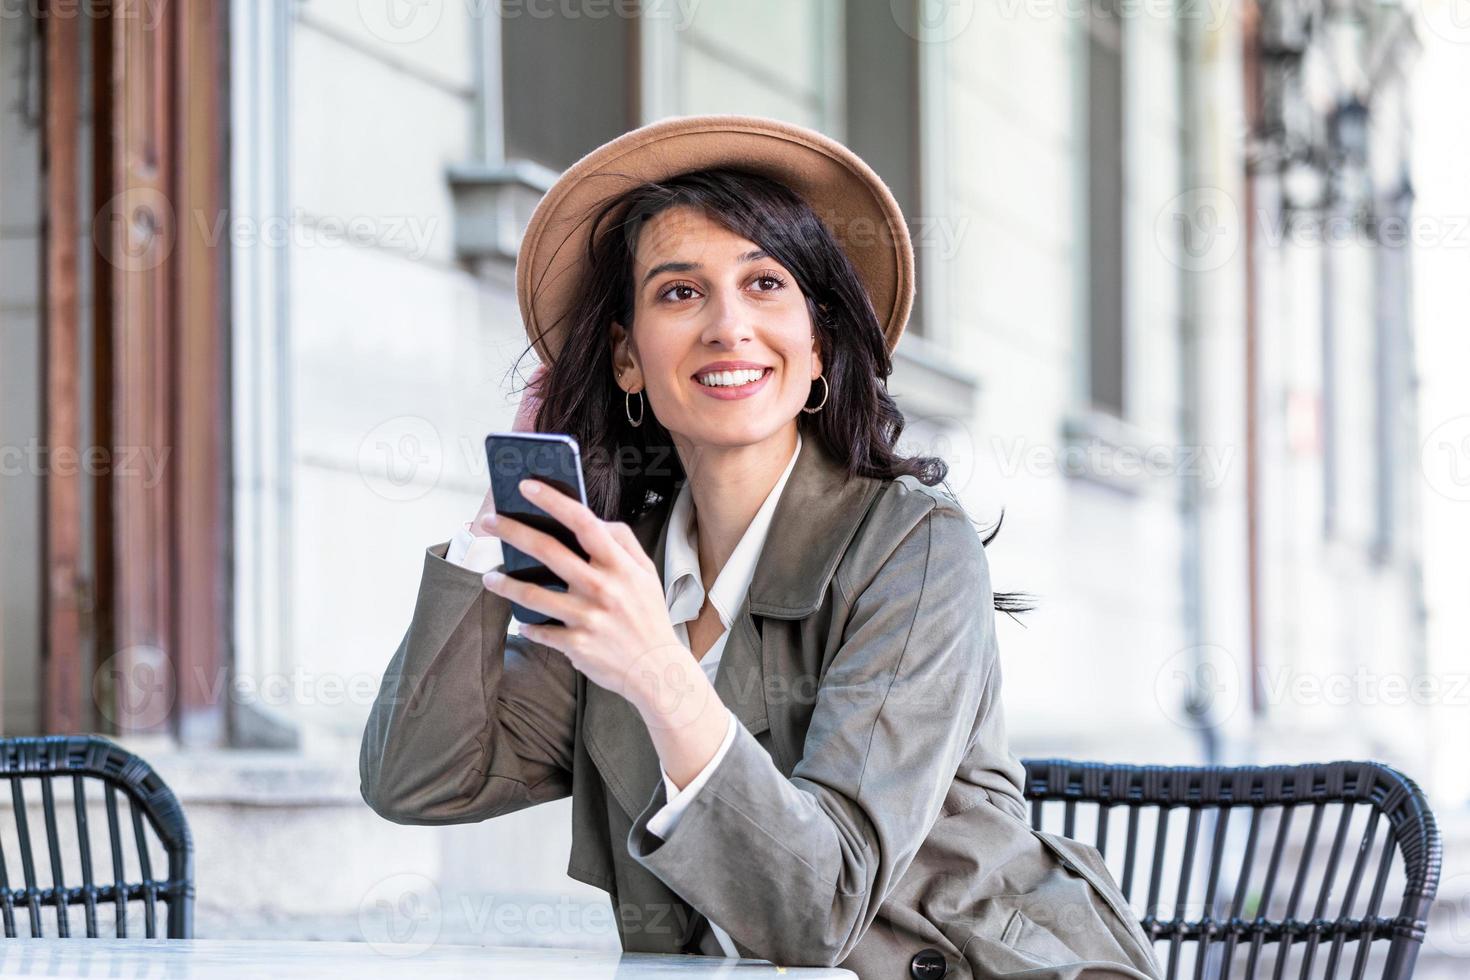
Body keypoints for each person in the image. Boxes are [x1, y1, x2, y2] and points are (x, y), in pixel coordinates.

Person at [360, 114, 1162, 980]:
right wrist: (496, 531)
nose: (728, 326)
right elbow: (420, 779)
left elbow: (820, 910)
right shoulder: (627, 572)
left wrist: (655, 669)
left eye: (766, 284)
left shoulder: (913, 546)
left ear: (817, 347)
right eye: (679, 292)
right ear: (628, 360)